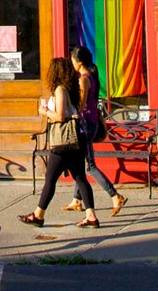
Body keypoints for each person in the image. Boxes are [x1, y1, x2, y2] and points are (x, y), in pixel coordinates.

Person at [19, 56, 99, 228]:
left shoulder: (60, 90)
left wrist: (45, 111)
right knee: (80, 177)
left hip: (63, 143)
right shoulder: (71, 89)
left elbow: (61, 116)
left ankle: (38, 215)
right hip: (75, 140)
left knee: (50, 179)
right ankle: (91, 215)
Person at [64, 45, 128, 217]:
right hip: (91, 122)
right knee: (80, 161)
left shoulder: (83, 79)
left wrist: (66, 110)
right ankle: (77, 200)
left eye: (72, 60)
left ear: (80, 62)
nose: (71, 63)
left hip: (86, 124)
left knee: (89, 166)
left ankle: (115, 196)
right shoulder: (90, 76)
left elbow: (81, 105)